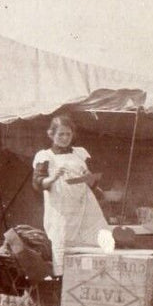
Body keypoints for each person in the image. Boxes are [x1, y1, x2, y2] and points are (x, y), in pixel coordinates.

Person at [32, 115, 109, 276]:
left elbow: (93, 183)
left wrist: (88, 176)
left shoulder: (80, 153)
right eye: (61, 134)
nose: (65, 138)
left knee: (95, 239)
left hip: (85, 206)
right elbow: (38, 184)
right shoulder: (45, 156)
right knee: (62, 243)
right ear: (51, 134)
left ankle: (91, 278)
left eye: (68, 134)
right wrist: (53, 178)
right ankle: (63, 283)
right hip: (61, 209)